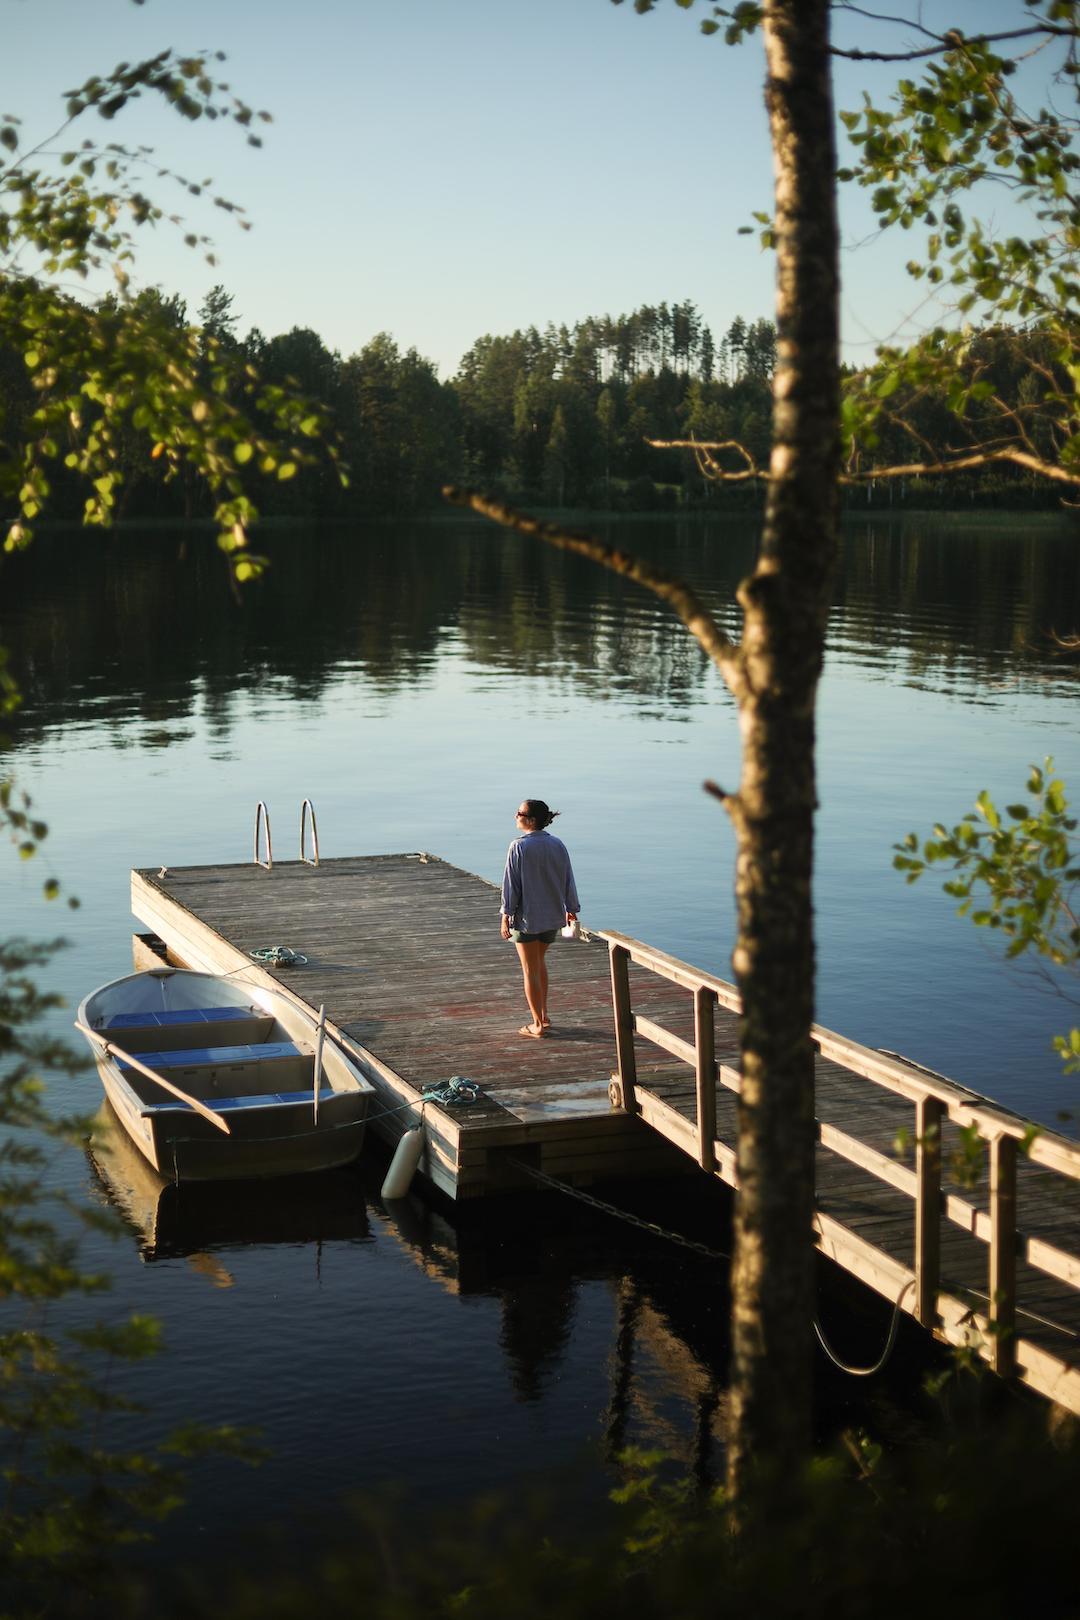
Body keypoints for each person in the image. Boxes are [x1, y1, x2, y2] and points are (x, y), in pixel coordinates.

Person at [500, 799, 580, 1038]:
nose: (516, 815)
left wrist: (505, 916)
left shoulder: (519, 846)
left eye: (520, 813)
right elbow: (568, 878)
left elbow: (510, 886)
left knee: (529, 970)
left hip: (527, 918)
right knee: (539, 965)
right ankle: (544, 1015)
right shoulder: (557, 844)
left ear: (531, 820)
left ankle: (536, 1025)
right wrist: (571, 908)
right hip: (552, 916)